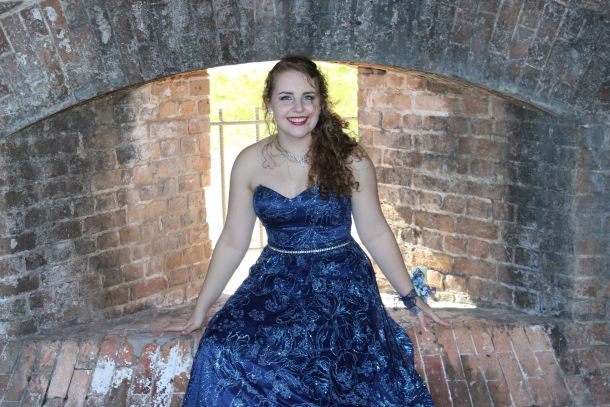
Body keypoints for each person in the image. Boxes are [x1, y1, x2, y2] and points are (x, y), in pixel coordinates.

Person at [166, 56, 451, 406]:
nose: (298, 108)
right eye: (286, 97)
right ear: (269, 103)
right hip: (275, 281)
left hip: (341, 283)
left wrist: (410, 297)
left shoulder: (350, 159)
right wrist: (201, 309)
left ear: (320, 103)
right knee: (219, 346)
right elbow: (233, 241)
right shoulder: (249, 162)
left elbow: (375, 232)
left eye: (308, 97)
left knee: (321, 362)